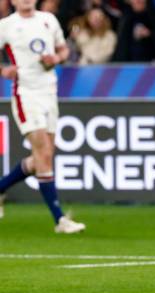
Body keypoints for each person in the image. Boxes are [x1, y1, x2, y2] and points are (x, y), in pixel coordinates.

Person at [0, 0, 85, 233]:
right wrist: (3, 70)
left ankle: (1, 188)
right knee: (44, 155)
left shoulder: (48, 20)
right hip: (25, 93)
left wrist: (56, 59)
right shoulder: (6, 26)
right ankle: (60, 219)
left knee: (43, 157)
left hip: (49, 92)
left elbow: (64, 49)